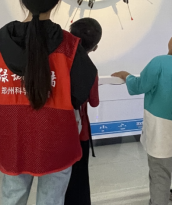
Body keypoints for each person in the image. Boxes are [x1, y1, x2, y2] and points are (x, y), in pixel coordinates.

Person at [0, 0, 97, 206]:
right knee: (51, 200)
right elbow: (81, 92)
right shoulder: (69, 46)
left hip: (12, 138)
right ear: (57, 1)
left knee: (12, 198)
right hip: (56, 141)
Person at [112, 30, 172, 206]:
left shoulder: (159, 62)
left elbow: (140, 86)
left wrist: (127, 76)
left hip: (162, 129)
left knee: (160, 173)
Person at [65, 18, 102, 205]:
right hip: (80, 134)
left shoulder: (58, 62)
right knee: (78, 179)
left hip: (57, 130)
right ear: (94, 47)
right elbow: (94, 102)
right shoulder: (90, 70)